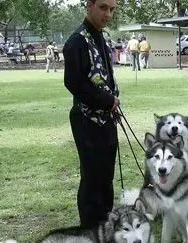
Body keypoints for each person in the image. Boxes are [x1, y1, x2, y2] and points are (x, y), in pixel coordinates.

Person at [63, 0, 119, 228]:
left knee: (106, 175)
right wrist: (107, 100)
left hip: (107, 120)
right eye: (103, 7)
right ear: (89, 5)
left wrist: (112, 100)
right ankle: (91, 227)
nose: (108, 14)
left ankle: (104, 221)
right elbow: (74, 82)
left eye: (112, 9)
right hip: (87, 121)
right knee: (92, 177)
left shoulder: (101, 37)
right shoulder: (77, 41)